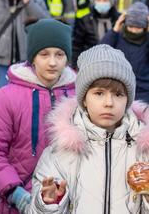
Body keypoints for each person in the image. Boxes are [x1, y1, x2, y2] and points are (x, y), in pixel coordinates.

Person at [30, 44, 149, 212]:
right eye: (99, 93)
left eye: (118, 94)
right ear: (84, 99)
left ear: (128, 100)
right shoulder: (59, 153)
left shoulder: (144, 151)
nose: (109, 103)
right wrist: (49, 203)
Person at [0, 19, 76, 214]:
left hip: (68, 200)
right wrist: (16, 193)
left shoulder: (79, 95)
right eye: (44, 54)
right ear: (32, 58)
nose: (52, 62)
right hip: (18, 201)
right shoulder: (6, 97)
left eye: (60, 54)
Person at [101, 2, 149, 103]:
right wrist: (115, 29)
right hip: (119, 90)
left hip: (143, 93)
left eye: (138, 28)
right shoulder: (117, 37)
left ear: (145, 27)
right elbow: (101, 51)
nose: (134, 31)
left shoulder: (147, 41)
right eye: (131, 26)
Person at [71, 0, 120, 66]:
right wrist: (75, 65)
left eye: (105, 0)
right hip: (90, 64)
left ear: (111, 3)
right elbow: (76, 45)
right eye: (98, 0)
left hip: (115, 64)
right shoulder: (85, 20)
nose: (101, 2)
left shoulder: (118, 20)